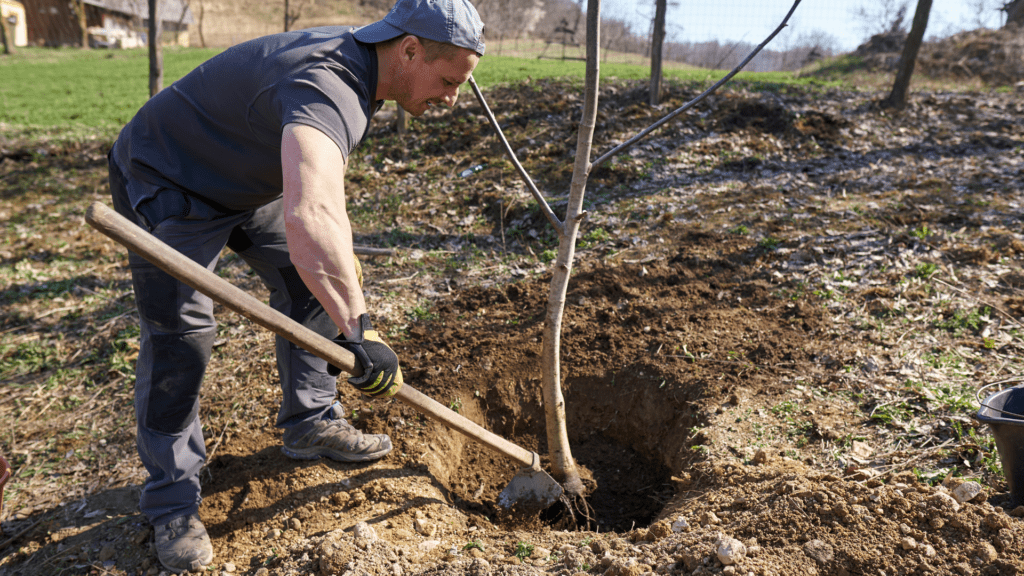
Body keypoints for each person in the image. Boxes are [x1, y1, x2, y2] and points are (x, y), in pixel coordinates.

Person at [106, 0, 485, 571]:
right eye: (450, 80)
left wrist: (345, 295)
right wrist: (362, 331)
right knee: (181, 335)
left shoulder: (367, 71)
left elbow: (321, 193)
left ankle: (309, 421)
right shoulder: (326, 83)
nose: (453, 97)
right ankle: (170, 501)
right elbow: (312, 216)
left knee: (315, 286)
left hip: (242, 183)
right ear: (409, 50)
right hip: (168, 178)